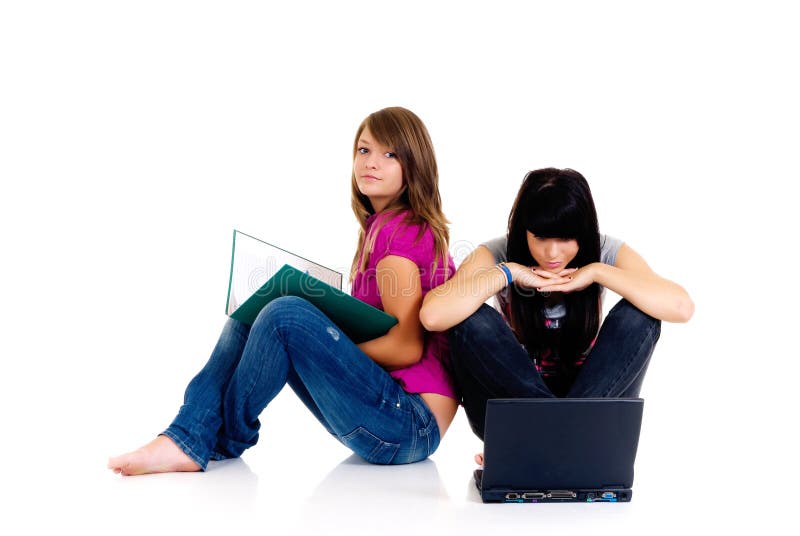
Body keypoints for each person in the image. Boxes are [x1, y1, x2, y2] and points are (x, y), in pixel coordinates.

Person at [108, 107, 458, 475]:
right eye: (364, 150)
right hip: (391, 418)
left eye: (390, 155)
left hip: (410, 426)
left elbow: (407, 346)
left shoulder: (401, 231)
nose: (371, 163)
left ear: (413, 166)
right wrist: (324, 341)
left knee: (284, 315)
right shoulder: (379, 228)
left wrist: (324, 343)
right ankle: (188, 437)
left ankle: (210, 438)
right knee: (255, 312)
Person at [419, 168, 694, 448]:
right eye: (540, 237)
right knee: (469, 317)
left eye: (564, 238)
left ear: (583, 233)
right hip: (515, 413)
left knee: (640, 313)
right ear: (523, 230)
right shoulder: (498, 253)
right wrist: (509, 272)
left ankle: (547, 443)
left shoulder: (604, 250)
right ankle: (567, 442)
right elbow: (433, 316)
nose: (552, 253)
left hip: (589, 401)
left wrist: (598, 272)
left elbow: (681, 306)